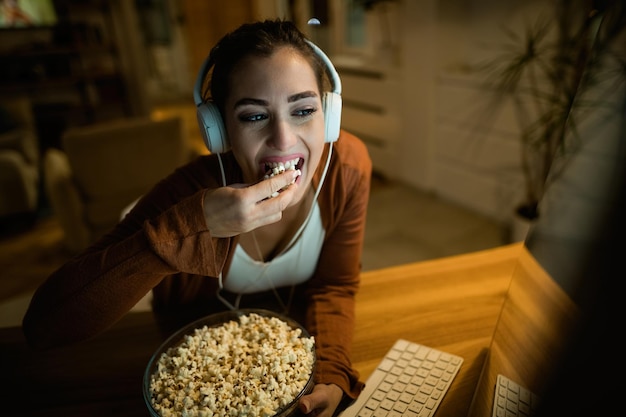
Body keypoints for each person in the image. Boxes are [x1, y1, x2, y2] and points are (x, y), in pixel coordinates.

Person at [22, 18, 372, 417]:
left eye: (304, 110)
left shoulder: (347, 168)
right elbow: (44, 326)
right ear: (218, 129)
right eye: (254, 116)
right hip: (201, 391)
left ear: (329, 116)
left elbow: (335, 286)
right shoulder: (186, 194)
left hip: (293, 373)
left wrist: (330, 374)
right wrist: (190, 227)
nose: (284, 139)